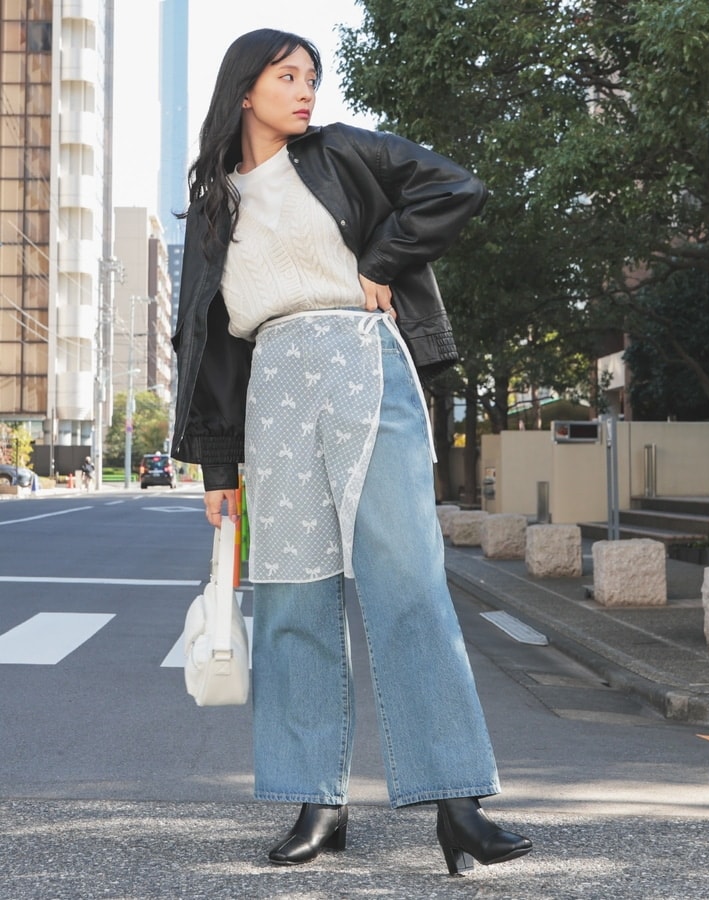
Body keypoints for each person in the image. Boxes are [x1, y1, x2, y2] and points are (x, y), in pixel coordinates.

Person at [171, 28, 532, 876]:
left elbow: (456, 184)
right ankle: (317, 804)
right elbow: (206, 345)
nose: (306, 91)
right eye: (287, 76)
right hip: (273, 387)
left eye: (312, 77)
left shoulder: (340, 153)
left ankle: (458, 807)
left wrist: (386, 256)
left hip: (366, 364)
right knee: (291, 597)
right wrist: (218, 469)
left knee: (410, 585)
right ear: (245, 89)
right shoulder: (215, 201)